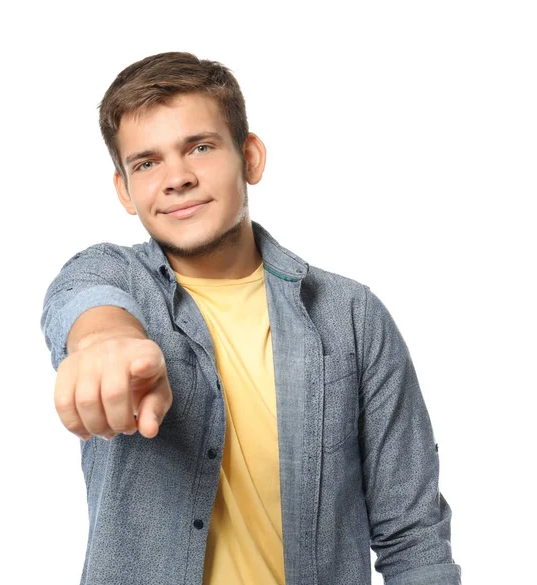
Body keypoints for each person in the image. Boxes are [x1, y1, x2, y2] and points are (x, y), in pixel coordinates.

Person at [40, 51, 462, 585]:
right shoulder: (113, 277)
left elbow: (414, 535)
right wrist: (103, 340)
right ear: (124, 189)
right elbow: (81, 299)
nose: (177, 178)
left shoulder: (351, 316)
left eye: (199, 147)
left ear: (251, 157)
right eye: (147, 163)